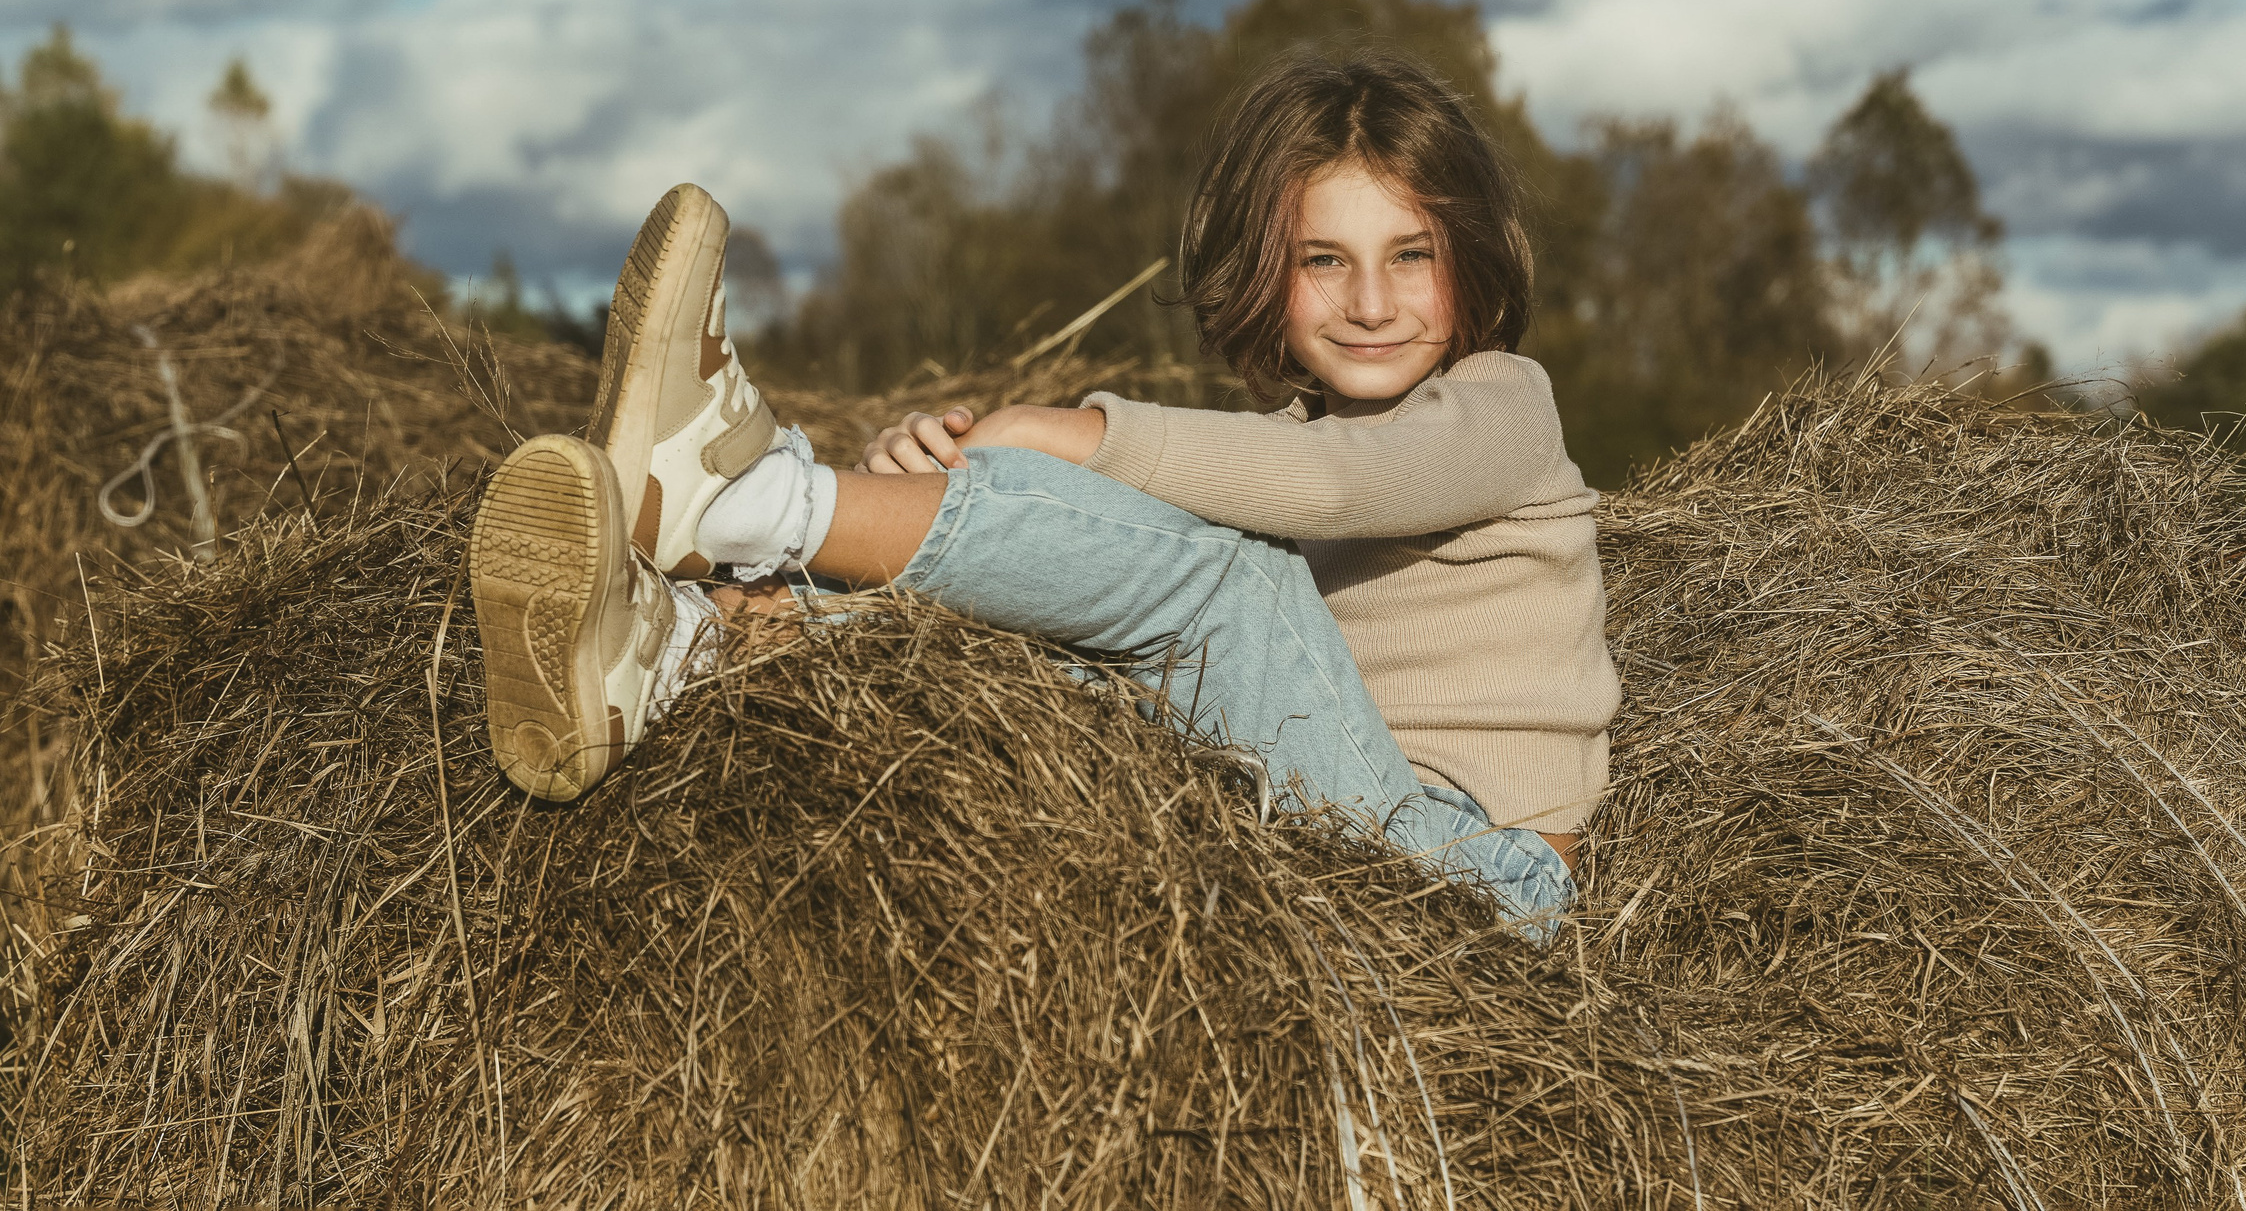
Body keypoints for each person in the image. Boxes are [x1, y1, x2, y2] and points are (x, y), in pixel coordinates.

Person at [467, 50, 1618, 933]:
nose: (1370, 299)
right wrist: (947, 470)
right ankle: (688, 642)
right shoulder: (1276, 443)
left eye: (1410, 253)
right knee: (1074, 629)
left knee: (1224, 574)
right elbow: (1125, 550)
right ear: (1269, 276)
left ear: (1473, 261)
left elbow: (1331, 486)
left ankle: (747, 499)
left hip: (1476, 874)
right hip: (1337, 811)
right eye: (1325, 259)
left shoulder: (1506, 407)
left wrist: (1075, 432)